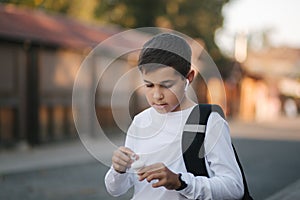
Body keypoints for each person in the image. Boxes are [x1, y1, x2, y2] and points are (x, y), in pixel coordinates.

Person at [105, 33, 244, 199]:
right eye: (149, 85)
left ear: (188, 78)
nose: (157, 95)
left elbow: (234, 188)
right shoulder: (140, 121)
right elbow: (116, 189)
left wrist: (180, 182)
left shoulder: (208, 122)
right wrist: (118, 169)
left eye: (166, 85)